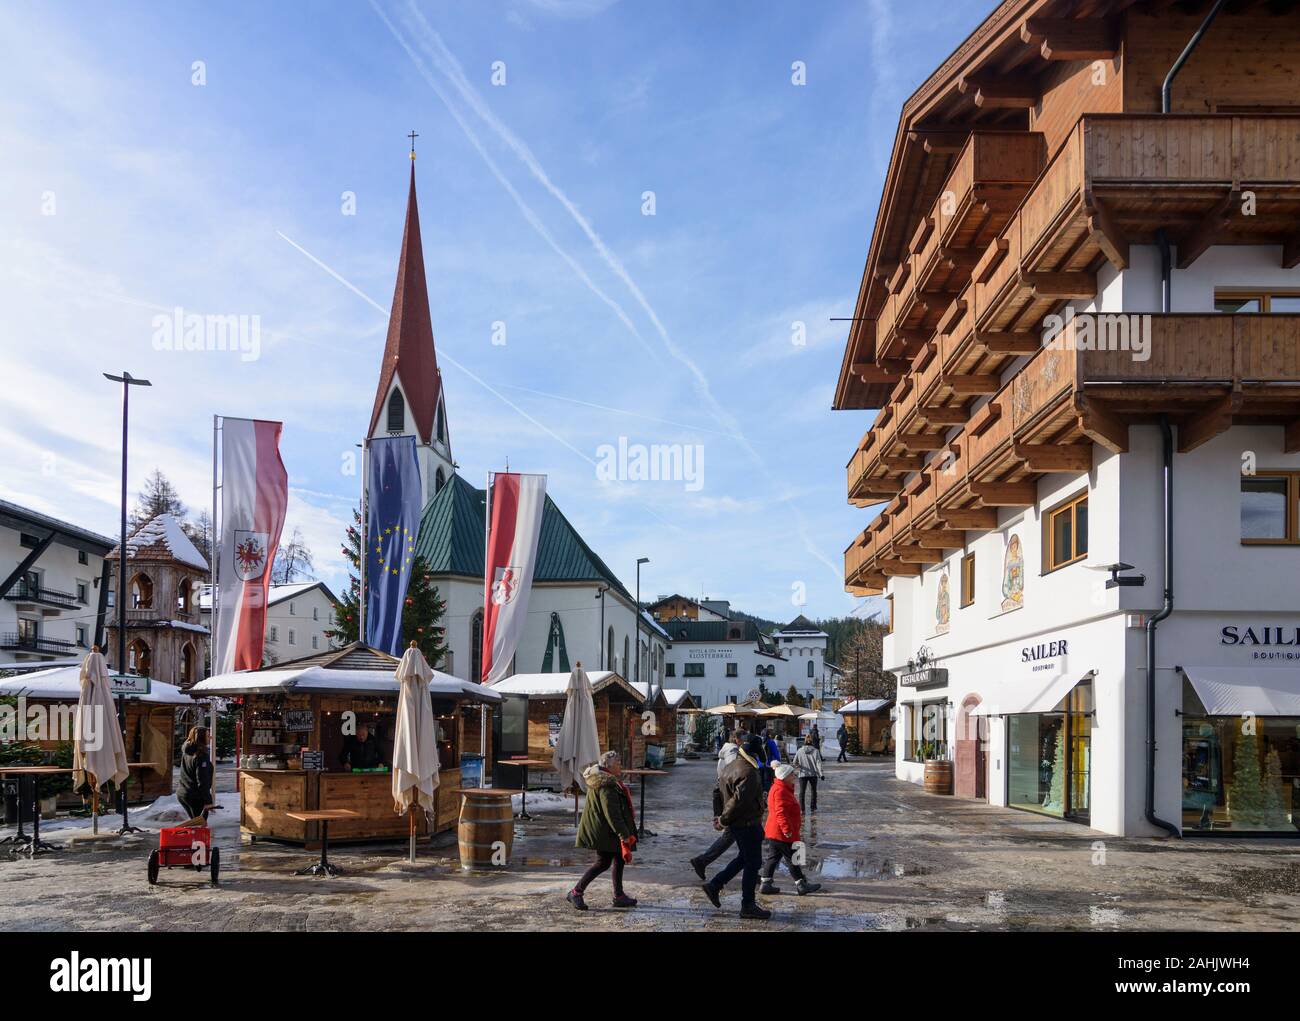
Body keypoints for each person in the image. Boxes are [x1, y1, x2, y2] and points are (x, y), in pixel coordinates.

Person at [701, 733, 771, 920]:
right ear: (755, 755)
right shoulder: (749, 772)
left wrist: (718, 815)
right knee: (753, 862)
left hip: (739, 823)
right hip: (747, 823)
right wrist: (723, 819)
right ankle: (747, 905)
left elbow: (717, 791)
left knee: (744, 859)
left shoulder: (730, 766)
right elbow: (738, 801)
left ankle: (714, 885)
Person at [567, 750, 638, 910]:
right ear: (608, 766)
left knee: (619, 859)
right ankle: (575, 892)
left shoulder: (606, 780)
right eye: (618, 763)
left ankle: (619, 896)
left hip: (606, 830)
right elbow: (612, 813)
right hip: (603, 831)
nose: (621, 766)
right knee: (602, 863)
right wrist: (624, 834)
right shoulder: (606, 783)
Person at [760, 763, 822, 896]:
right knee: (793, 858)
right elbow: (780, 812)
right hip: (781, 832)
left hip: (776, 831)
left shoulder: (781, 787)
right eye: (791, 774)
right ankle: (801, 885)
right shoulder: (780, 790)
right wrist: (786, 829)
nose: (794, 776)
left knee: (773, 858)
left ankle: (766, 883)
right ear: (784, 776)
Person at [690, 730, 743, 879]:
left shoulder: (726, 751)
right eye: (743, 739)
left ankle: (702, 861)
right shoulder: (732, 751)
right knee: (737, 835)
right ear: (737, 739)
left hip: (725, 795)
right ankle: (703, 862)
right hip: (730, 797)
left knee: (735, 836)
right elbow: (736, 772)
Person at [178, 726, 214, 822]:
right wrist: (208, 801)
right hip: (195, 796)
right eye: (207, 736)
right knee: (199, 828)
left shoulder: (188, 750)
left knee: (195, 824)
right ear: (201, 738)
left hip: (183, 793)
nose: (210, 738)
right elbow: (202, 780)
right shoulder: (201, 755)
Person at [793, 733, 825, 813]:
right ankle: (813, 807)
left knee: (802, 792)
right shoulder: (816, 751)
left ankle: (801, 809)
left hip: (803, 774)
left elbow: (794, 762)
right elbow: (819, 763)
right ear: (812, 742)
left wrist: (799, 766)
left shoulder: (799, 751)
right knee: (813, 791)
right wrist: (821, 774)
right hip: (813, 774)